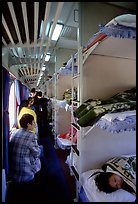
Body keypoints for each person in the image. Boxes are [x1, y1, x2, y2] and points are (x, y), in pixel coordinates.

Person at [9, 114, 41, 183]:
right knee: (41, 151)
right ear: (28, 124)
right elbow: (37, 153)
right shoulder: (32, 136)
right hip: (26, 175)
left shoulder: (14, 132)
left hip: (13, 172)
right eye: (33, 122)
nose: (35, 124)